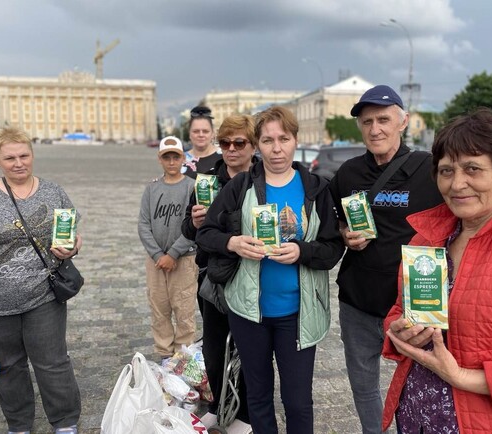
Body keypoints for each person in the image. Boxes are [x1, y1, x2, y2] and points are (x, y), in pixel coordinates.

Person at [382, 108, 492, 433]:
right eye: (446, 171)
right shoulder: (427, 238)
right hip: (417, 413)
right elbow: (400, 311)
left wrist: (460, 376)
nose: (457, 184)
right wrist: (399, 331)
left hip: (490, 424)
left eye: (472, 168)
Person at [197, 106, 344, 434]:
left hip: (298, 314)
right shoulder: (240, 188)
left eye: (284, 139)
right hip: (249, 313)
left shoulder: (316, 189)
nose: (276, 148)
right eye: (267, 140)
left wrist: (302, 251)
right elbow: (206, 233)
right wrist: (233, 243)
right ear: (257, 145)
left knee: (298, 401)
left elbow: (333, 249)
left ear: (295, 141)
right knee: (259, 397)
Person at [0, 126, 82, 434]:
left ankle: (64, 422)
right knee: (8, 366)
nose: (18, 163)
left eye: (24, 155)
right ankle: (19, 424)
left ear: (32, 155)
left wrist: (72, 247)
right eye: (9, 158)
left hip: (43, 297)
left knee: (52, 363)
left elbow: (73, 236)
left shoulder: (53, 192)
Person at [329, 85, 443, 434]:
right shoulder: (348, 173)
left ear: (403, 121)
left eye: (383, 120)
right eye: (367, 122)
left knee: (420, 386)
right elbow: (332, 218)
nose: (375, 129)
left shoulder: (430, 169)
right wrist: (344, 232)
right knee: (364, 387)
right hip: (358, 300)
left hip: (414, 304)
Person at [181, 114, 257, 433]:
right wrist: (196, 222)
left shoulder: (264, 180)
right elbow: (187, 229)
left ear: (253, 146)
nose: (231, 149)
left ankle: (246, 414)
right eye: (224, 143)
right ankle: (216, 405)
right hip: (213, 276)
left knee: (250, 348)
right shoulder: (207, 179)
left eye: (239, 143)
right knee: (213, 346)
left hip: (253, 276)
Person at [138, 136, 199, 359]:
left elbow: (195, 225)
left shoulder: (191, 187)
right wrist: (158, 254)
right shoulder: (152, 189)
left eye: (176, 157)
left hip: (183, 259)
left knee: (184, 311)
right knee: (159, 309)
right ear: (160, 159)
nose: (172, 162)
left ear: (183, 158)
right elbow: (144, 224)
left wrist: (173, 253)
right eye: (167, 158)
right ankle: (165, 357)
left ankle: (183, 360)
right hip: (156, 261)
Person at [183, 105, 223, 178]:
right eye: (196, 131)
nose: (201, 135)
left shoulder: (225, 157)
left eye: (205, 131)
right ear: (189, 134)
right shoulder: (180, 160)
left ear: (212, 133)